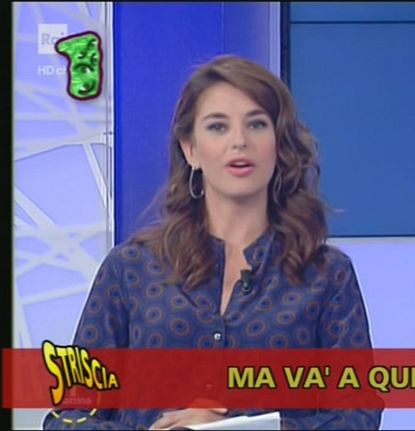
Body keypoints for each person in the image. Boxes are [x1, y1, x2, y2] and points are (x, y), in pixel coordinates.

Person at [43, 54, 381, 430]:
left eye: (256, 124)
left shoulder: (326, 274)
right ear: (191, 149)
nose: (239, 141)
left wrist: (240, 428)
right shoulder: (130, 269)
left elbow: (358, 415)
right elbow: (67, 417)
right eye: (218, 127)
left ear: (278, 144)